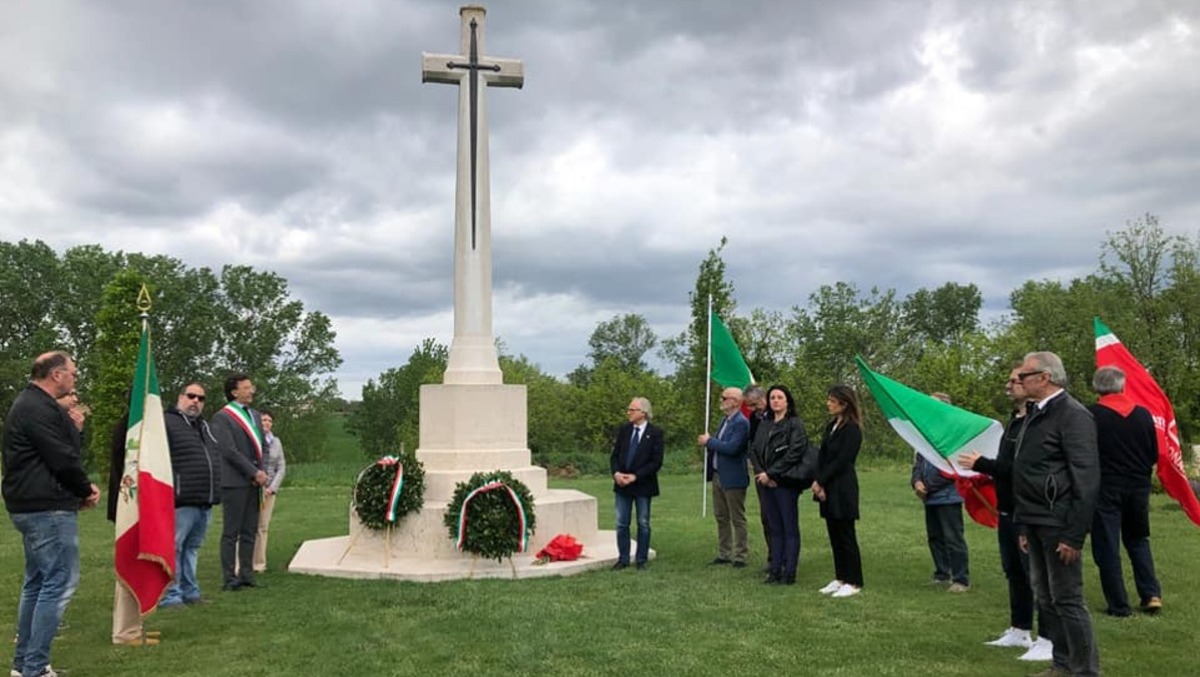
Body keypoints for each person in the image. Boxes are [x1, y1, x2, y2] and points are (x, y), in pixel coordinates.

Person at [3, 352, 101, 677]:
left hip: (33, 505)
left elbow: (65, 450)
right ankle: (33, 667)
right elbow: (61, 459)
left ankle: (24, 665)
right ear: (57, 375)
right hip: (46, 508)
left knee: (37, 582)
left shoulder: (34, 406)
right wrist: (86, 489)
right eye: (73, 373)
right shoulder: (37, 408)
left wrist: (75, 429)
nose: (75, 378)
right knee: (59, 583)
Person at [1012, 351, 1100, 677]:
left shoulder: (1073, 415)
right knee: (1046, 597)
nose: (1019, 381)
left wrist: (1074, 533)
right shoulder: (1036, 413)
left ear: (1044, 378)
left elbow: (1087, 478)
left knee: (1068, 598)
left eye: (1024, 376)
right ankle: (1062, 664)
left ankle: (1086, 670)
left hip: (1058, 520)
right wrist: (1022, 523)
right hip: (1034, 518)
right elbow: (1027, 470)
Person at [960, 367, 1051, 660]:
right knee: (1014, 572)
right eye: (1010, 380)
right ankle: (1020, 629)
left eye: (1016, 381)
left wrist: (982, 464)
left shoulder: (1036, 425)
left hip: (1030, 511)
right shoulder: (1014, 423)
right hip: (1008, 510)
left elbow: (1024, 470)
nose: (1010, 385)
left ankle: (1048, 638)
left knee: (1036, 575)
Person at [1087, 365, 1163, 617]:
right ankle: (1151, 593)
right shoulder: (1143, 414)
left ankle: (1118, 603)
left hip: (1106, 486)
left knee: (1107, 544)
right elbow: (1154, 452)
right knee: (1138, 539)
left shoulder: (1092, 415)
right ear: (1122, 385)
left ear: (1097, 387)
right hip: (1139, 486)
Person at [160, 384, 221, 607]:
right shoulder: (167, 423)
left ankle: (190, 592)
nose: (196, 401)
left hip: (204, 499)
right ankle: (171, 595)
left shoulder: (204, 427)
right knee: (173, 548)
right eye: (191, 396)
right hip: (181, 499)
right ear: (180, 397)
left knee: (192, 548)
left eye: (201, 398)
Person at [211, 373, 268, 591]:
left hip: (254, 482)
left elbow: (260, 447)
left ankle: (247, 573)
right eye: (246, 387)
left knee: (249, 530)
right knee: (231, 532)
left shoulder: (254, 415)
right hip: (234, 482)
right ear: (234, 392)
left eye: (251, 387)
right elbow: (229, 451)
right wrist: (253, 472)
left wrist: (260, 472)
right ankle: (229, 577)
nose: (251, 390)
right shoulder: (222, 418)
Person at [749, 385, 810, 585]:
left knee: (788, 527)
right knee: (774, 527)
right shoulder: (764, 424)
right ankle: (775, 569)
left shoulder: (794, 424)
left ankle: (789, 571)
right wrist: (761, 473)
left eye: (780, 397)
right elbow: (754, 449)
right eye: (772, 397)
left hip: (785, 482)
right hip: (765, 482)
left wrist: (772, 473)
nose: (775, 400)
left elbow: (795, 452)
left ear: (787, 401)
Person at [912, 392, 970, 592]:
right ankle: (942, 573)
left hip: (948, 495)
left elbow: (951, 468)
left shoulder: (952, 434)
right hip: (929, 496)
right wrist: (916, 481)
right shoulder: (926, 432)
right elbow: (919, 460)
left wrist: (928, 485)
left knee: (953, 537)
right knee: (935, 536)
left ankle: (961, 578)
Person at [813, 384, 864, 599]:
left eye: (832, 401)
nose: (828, 404)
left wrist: (822, 480)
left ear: (844, 404)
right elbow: (823, 456)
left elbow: (843, 460)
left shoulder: (852, 430)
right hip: (827, 485)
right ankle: (840, 576)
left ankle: (854, 580)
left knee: (845, 534)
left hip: (842, 485)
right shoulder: (831, 426)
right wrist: (818, 482)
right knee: (833, 532)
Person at [610, 396, 663, 571]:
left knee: (643, 522)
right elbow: (615, 455)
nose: (629, 413)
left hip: (643, 485)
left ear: (643, 412)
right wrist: (617, 473)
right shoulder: (624, 430)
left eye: (632, 410)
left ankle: (641, 559)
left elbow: (656, 462)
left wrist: (635, 476)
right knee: (622, 523)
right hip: (622, 485)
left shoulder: (655, 433)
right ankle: (623, 558)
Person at [699, 387, 750, 568]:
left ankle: (741, 555)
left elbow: (732, 448)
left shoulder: (741, 423)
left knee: (737, 517)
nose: (721, 400)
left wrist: (709, 442)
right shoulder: (724, 421)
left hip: (734, 477)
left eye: (724, 397)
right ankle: (724, 552)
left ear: (735, 401)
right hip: (718, 475)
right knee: (721, 516)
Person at [253, 410, 287, 573]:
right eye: (263, 420)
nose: (266, 423)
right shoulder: (252, 439)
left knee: (262, 527)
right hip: (252, 488)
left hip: (269, 491)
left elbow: (281, 466)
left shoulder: (276, 442)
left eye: (269, 421)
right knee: (246, 526)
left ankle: (259, 563)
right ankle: (241, 563)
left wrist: (272, 487)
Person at [743, 385, 772, 570]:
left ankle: (785, 558)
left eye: (754, 404)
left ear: (763, 398)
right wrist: (759, 470)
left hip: (778, 474)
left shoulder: (777, 414)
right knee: (766, 517)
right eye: (750, 406)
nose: (753, 409)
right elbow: (752, 445)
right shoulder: (754, 418)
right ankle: (772, 556)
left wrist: (772, 472)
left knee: (780, 518)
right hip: (760, 473)